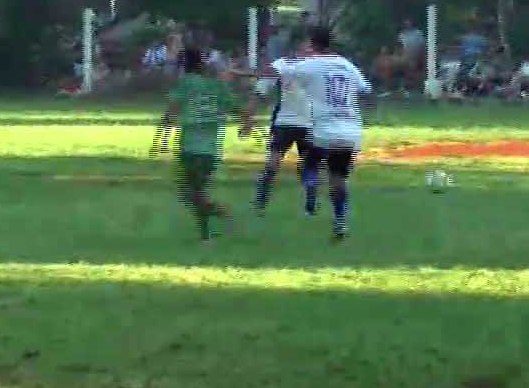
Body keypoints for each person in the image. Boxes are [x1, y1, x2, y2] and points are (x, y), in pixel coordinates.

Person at [152, 47, 252, 241]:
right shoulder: (217, 87)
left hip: (189, 146)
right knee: (196, 192)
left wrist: (161, 140)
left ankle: (220, 217)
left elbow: (171, 112)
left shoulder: (185, 84)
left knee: (191, 193)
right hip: (210, 149)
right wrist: (245, 128)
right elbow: (243, 111)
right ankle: (206, 233)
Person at [293, 26, 372, 241]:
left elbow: (280, 75)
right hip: (349, 129)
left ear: (312, 44)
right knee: (338, 179)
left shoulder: (310, 65)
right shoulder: (347, 65)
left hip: (323, 130)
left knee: (308, 164)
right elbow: (367, 91)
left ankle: (311, 193)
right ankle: (340, 222)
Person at [229, 37, 314, 216]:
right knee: (272, 165)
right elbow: (259, 92)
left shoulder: (317, 67)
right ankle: (260, 202)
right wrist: (248, 120)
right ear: (296, 48)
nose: (311, 51)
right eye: (308, 47)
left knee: (308, 166)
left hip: (310, 123)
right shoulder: (281, 65)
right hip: (284, 122)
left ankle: (310, 206)